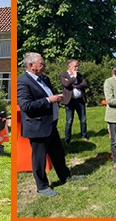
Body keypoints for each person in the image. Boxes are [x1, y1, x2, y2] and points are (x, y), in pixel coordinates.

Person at [17, 52, 79, 197]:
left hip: (50, 124)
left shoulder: (44, 79)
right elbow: (26, 105)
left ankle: (65, 176)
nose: (44, 65)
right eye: (41, 63)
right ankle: (42, 187)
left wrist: (56, 99)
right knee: (39, 159)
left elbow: (47, 97)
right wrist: (49, 100)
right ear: (31, 65)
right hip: (37, 127)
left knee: (58, 154)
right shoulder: (23, 81)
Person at [59, 59, 89, 145]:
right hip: (70, 101)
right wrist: (74, 77)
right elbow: (66, 84)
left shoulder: (79, 75)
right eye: (75, 66)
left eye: (77, 66)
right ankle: (67, 140)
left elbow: (85, 84)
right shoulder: (63, 75)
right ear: (69, 67)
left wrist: (75, 85)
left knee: (83, 119)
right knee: (69, 120)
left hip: (80, 100)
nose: (77, 68)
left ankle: (84, 136)